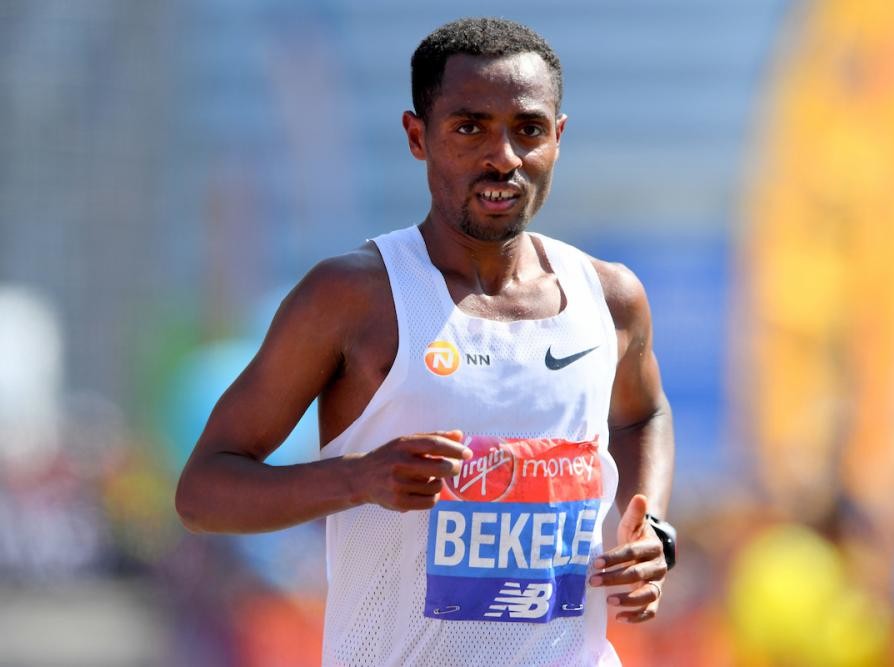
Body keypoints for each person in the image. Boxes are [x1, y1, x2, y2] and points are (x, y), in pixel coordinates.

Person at [175, 17, 675, 666]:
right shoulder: (354, 297)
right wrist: (358, 478)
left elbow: (643, 414)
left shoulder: (609, 298)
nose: (503, 157)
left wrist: (649, 523)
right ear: (418, 136)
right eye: (470, 128)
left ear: (558, 136)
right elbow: (202, 492)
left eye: (527, 130)